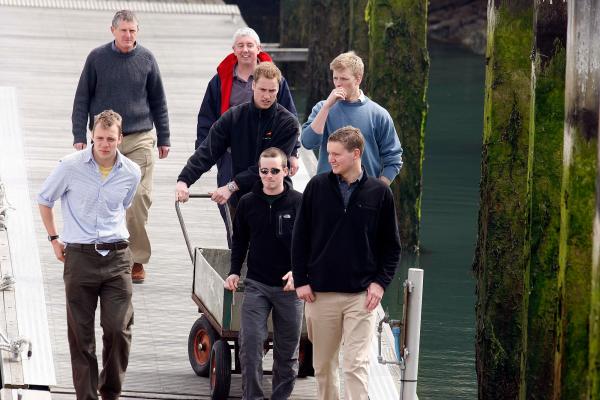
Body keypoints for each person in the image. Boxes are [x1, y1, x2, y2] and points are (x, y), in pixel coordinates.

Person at [292, 126, 401, 400]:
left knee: (356, 364)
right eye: (328, 153)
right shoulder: (316, 187)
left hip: (360, 296)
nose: (330, 159)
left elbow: (391, 247)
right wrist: (301, 280)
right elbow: (299, 238)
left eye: (336, 154)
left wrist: (380, 284)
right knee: (324, 367)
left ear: (356, 154)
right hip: (320, 294)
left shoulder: (380, 193)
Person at [38, 110, 141, 400]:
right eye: (99, 138)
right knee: (81, 337)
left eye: (110, 139)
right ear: (91, 137)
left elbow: (125, 203)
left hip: (118, 257)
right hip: (80, 258)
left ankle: (110, 392)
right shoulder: (70, 167)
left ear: (120, 138)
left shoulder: (132, 171)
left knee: (118, 330)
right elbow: (44, 200)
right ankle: (86, 397)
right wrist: (54, 239)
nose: (104, 144)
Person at [71, 9, 170, 283]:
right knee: (99, 196)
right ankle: (96, 252)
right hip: (104, 139)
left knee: (138, 199)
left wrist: (164, 137)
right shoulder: (97, 58)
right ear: (112, 30)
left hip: (139, 137)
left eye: (133, 31)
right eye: (123, 30)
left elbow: (159, 101)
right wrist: (79, 133)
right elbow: (82, 98)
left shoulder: (147, 59)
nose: (128, 35)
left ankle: (135, 258)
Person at [196, 27, 300, 247]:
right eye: (241, 45)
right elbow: (207, 119)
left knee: (266, 205)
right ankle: (236, 251)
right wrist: (204, 154)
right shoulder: (220, 80)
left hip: (269, 152)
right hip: (231, 152)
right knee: (230, 205)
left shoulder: (273, 80)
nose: (245, 50)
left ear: (258, 49)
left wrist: (294, 152)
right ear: (233, 50)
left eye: (250, 45)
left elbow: (290, 115)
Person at [225, 147, 303, 400]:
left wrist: (299, 272)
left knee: (287, 352)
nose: (269, 176)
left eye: (275, 171)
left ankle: (280, 396)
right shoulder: (248, 203)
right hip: (256, 284)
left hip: (290, 289)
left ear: (287, 171)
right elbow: (239, 242)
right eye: (264, 171)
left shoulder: (299, 203)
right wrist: (234, 272)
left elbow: (311, 244)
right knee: (250, 346)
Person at [175, 62, 298, 209]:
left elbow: (270, 166)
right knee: (235, 231)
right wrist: (183, 180)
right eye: (262, 89)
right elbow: (208, 151)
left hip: (276, 200)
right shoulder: (234, 117)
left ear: (279, 89)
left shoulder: (288, 123)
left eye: (272, 91)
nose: (267, 96)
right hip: (241, 200)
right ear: (253, 86)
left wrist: (232, 186)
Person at [301, 51, 403, 185]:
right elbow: (308, 143)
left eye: (343, 79)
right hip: (328, 192)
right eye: (335, 78)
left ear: (358, 79)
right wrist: (326, 108)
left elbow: (394, 159)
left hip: (365, 193)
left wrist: (379, 189)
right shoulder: (322, 108)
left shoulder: (379, 114)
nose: (338, 84)